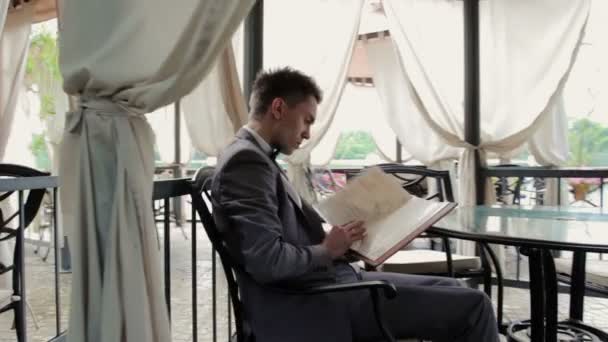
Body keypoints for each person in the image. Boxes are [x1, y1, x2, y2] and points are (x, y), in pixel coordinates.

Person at [210, 67, 499, 342]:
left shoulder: (255, 158)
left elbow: (278, 241)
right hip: (315, 303)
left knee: (454, 288)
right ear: (278, 108)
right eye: (307, 120)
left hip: (330, 284)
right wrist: (326, 249)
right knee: (475, 305)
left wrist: (343, 242)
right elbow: (268, 262)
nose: (308, 133)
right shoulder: (246, 163)